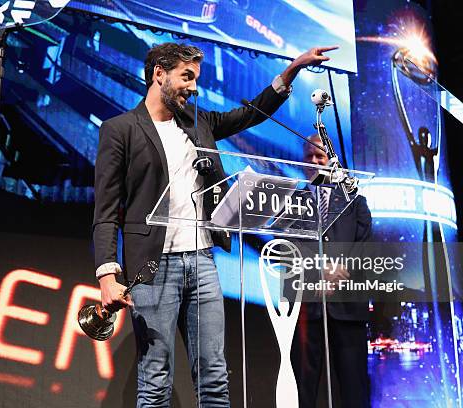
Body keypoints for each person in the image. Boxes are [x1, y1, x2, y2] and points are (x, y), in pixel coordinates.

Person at [92, 42, 339, 407]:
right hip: (152, 267)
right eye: (186, 77)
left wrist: (293, 69)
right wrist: (107, 275)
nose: (193, 87)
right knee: (156, 379)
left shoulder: (199, 121)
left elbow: (250, 114)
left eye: (196, 79)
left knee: (214, 378)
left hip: (203, 261)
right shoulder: (120, 130)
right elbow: (106, 209)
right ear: (159, 73)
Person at [291, 134, 372, 408]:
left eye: (320, 157)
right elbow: (289, 249)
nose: (314, 162)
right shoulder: (294, 202)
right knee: (302, 390)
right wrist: (317, 272)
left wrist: (341, 269)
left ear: (332, 161)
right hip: (306, 309)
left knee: (354, 388)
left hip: (348, 305)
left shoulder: (355, 201)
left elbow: (364, 244)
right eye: (309, 157)